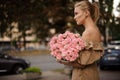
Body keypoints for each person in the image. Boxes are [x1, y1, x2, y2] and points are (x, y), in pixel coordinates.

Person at [57, 0, 104, 80]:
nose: (74, 17)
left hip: (83, 75)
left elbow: (82, 64)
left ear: (86, 13)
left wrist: (61, 60)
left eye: (76, 13)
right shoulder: (94, 29)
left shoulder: (88, 32)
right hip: (90, 73)